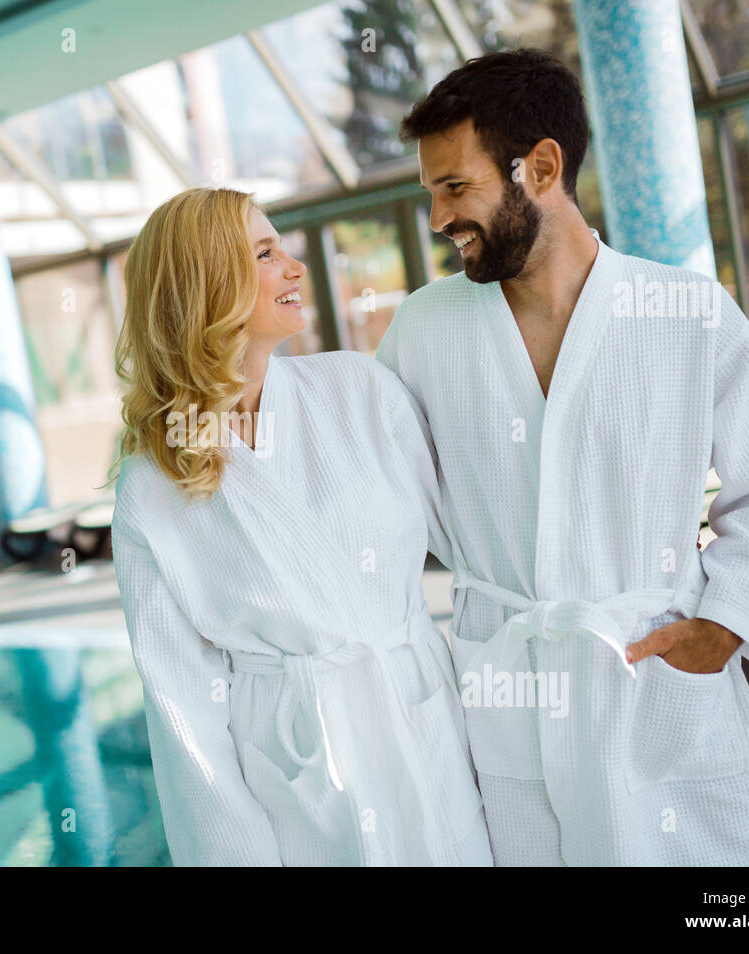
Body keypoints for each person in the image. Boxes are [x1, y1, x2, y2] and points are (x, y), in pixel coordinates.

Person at [377, 48, 749, 866]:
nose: (439, 218)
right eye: (431, 193)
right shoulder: (424, 330)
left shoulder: (685, 312)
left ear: (541, 167)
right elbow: (374, 496)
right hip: (510, 692)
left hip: (655, 684)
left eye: (456, 187)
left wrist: (726, 626)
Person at [108, 186, 492, 866]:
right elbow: (183, 710)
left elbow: (480, 543)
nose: (296, 268)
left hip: (420, 722)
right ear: (207, 283)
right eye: (264, 253)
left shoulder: (360, 390)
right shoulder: (152, 485)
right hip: (295, 778)